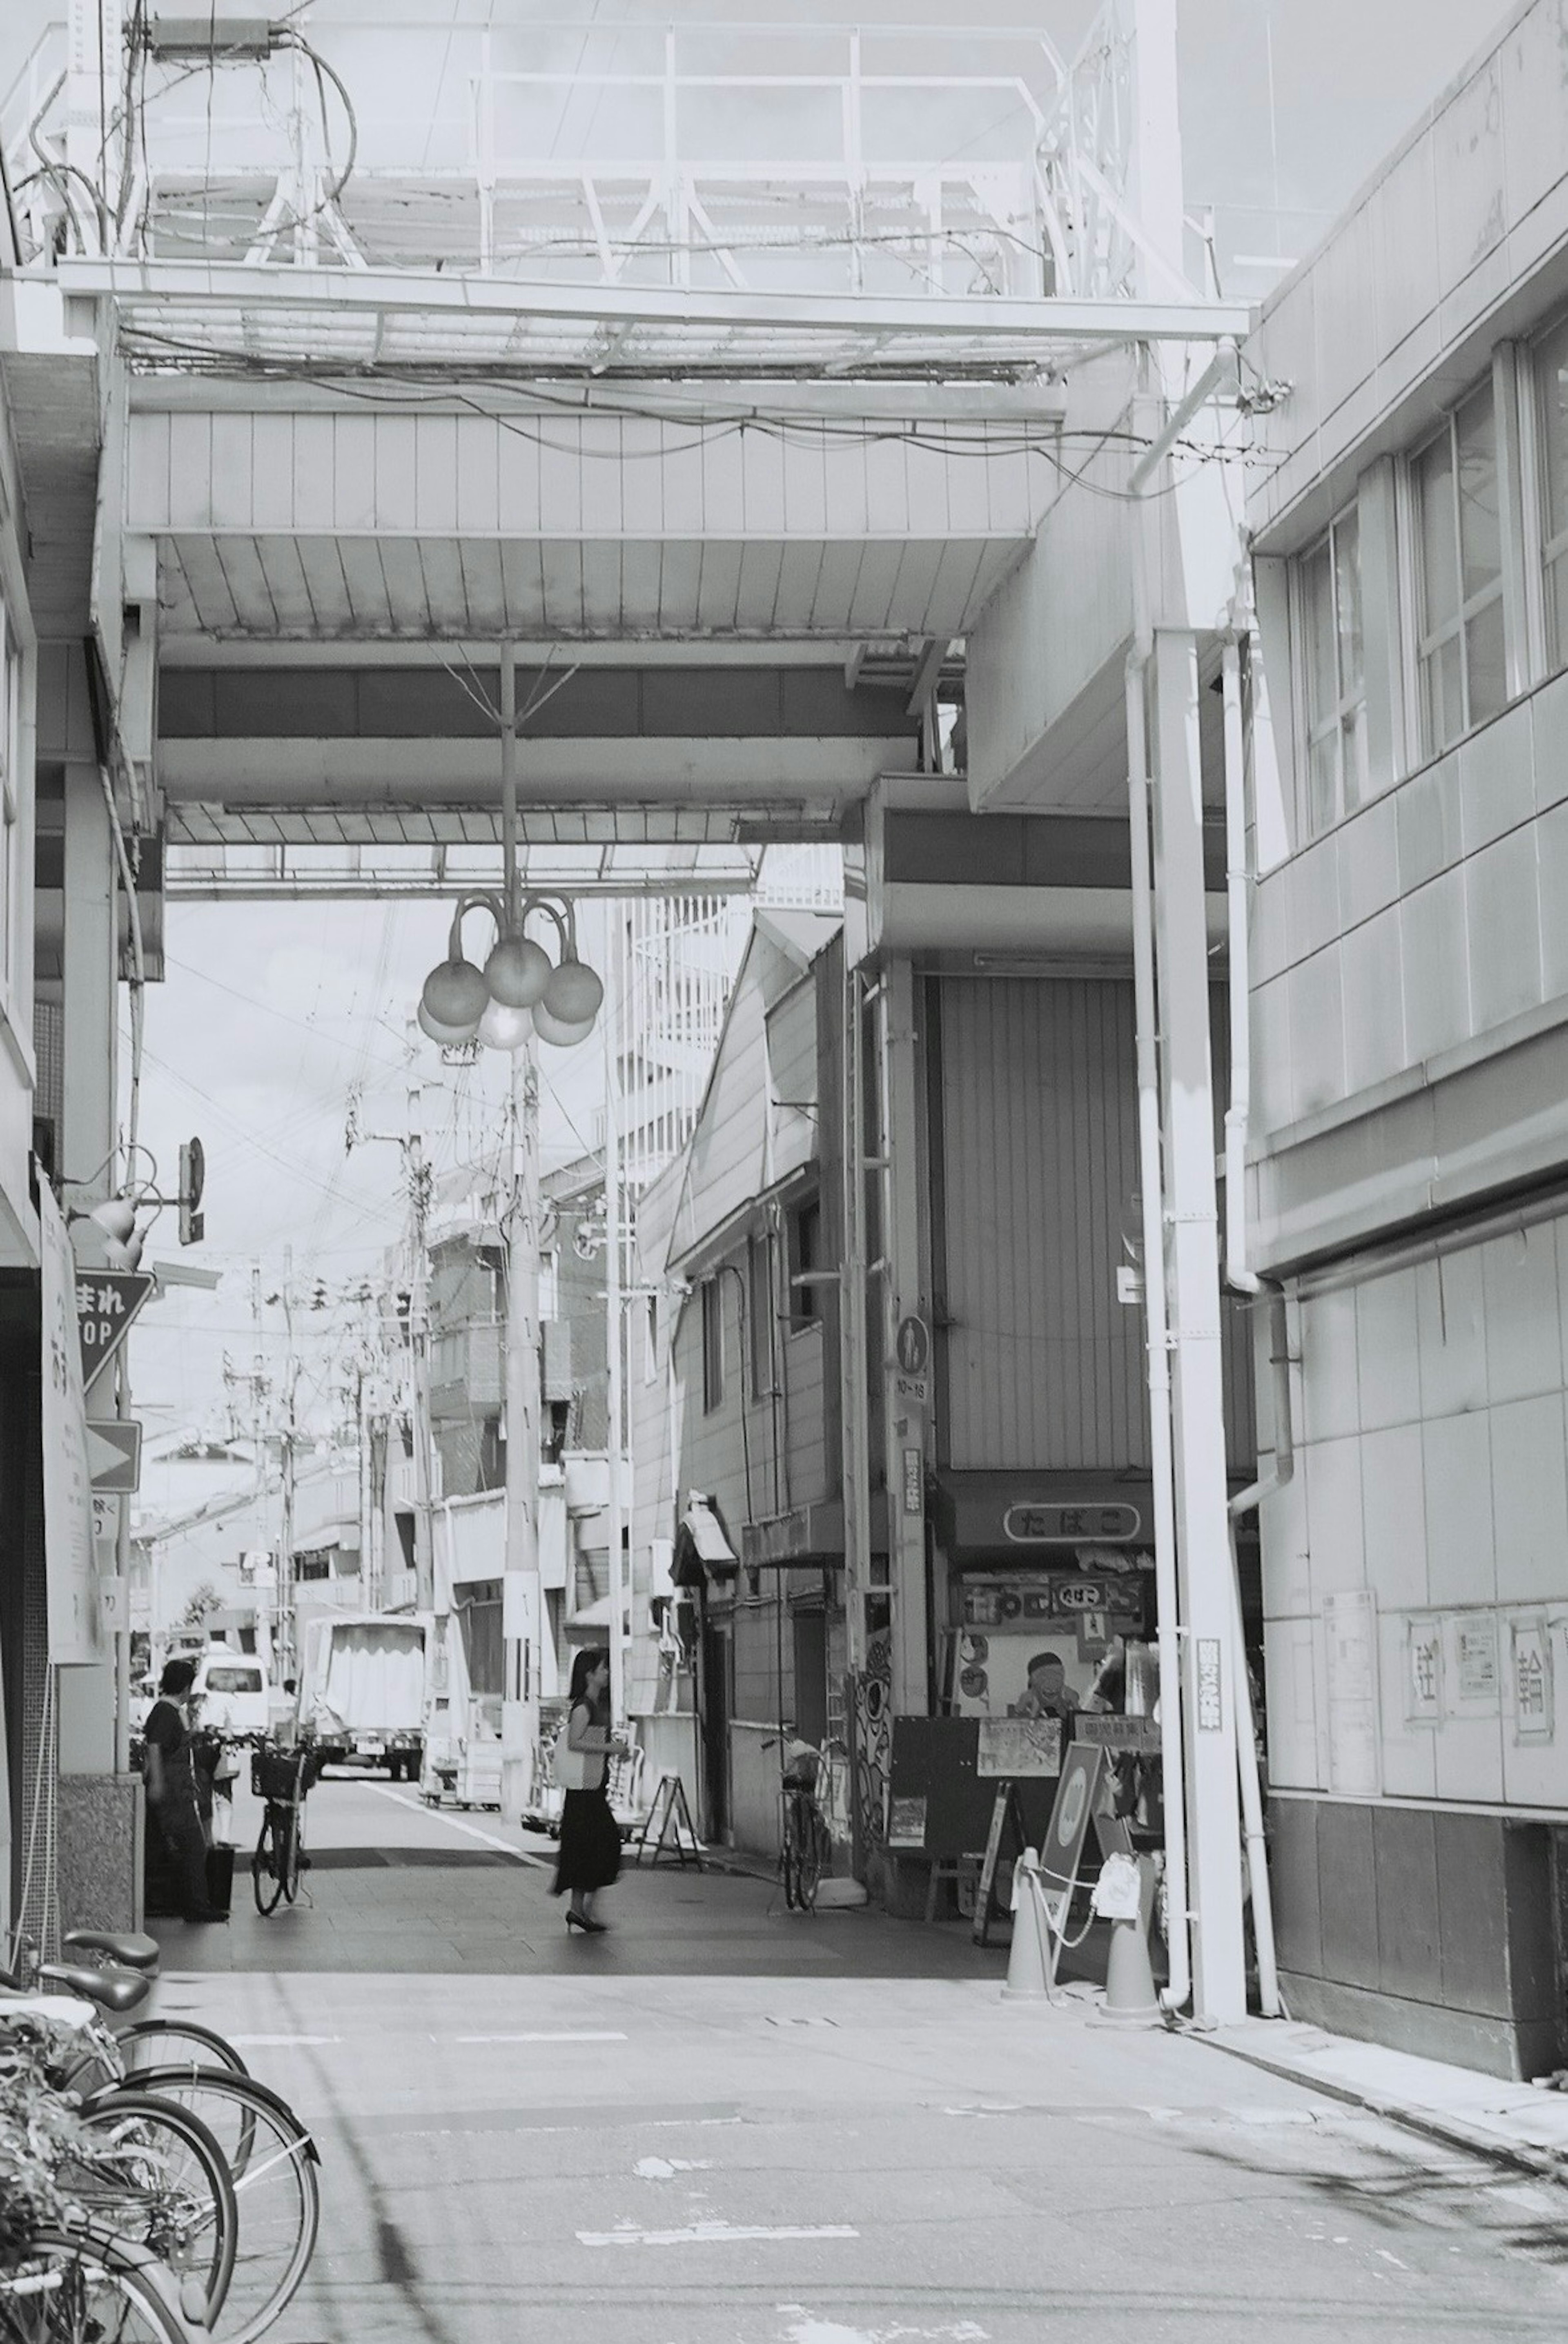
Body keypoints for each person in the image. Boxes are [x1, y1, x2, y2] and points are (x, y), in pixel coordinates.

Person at [550, 1647, 630, 1934]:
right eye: (603, 1669)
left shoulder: (596, 1704)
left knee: (584, 1849)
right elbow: (575, 1742)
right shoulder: (584, 1706)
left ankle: (579, 1910)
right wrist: (611, 1748)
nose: (607, 1673)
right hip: (584, 1791)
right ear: (590, 1675)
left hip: (591, 1787)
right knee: (606, 1844)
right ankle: (584, 1910)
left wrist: (613, 1751)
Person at [142, 1658, 226, 1923]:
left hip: (177, 1790)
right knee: (194, 1846)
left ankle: (188, 1903)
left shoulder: (167, 1710)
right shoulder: (167, 1713)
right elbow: (155, 1747)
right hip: (173, 1793)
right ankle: (196, 1906)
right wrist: (157, 1783)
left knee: (172, 1848)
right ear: (185, 1686)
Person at [1012, 1650, 1080, 1725]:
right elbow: (1020, 1728)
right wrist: (1034, 1712)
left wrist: (1074, 1709)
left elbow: (1082, 1724)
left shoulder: (1068, 1697)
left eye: (1056, 1676)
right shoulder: (1027, 1701)